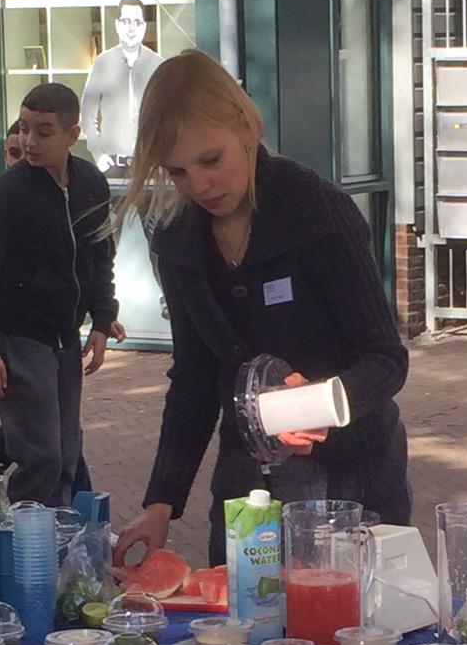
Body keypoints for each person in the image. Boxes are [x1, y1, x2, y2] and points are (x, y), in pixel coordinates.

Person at [114, 50, 411, 568]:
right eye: (177, 172)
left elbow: (386, 357)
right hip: (245, 489)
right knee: (236, 637)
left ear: (246, 127)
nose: (199, 185)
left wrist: (325, 403)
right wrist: (161, 502)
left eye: (211, 160)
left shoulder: (317, 211)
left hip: (349, 478)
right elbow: (193, 380)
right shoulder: (178, 240)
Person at [0, 82, 118, 506]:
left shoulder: (90, 184)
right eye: (25, 128)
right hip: (19, 336)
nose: (29, 140)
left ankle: (58, 551)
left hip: (65, 338)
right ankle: (29, 551)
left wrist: (102, 319)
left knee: (66, 455)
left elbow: (101, 256)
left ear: (72, 134)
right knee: (41, 456)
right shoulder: (2, 196)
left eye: (43, 131)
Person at [80, 0, 162, 179]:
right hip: (112, 165)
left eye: (137, 22)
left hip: (151, 164)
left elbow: (169, 114)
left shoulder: (157, 64)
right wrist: (98, 154)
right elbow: (88, 111)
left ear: (144, 27)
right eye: (126, 21)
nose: (131, 28)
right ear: (117, 25)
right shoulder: (103, 63)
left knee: (152, 209)